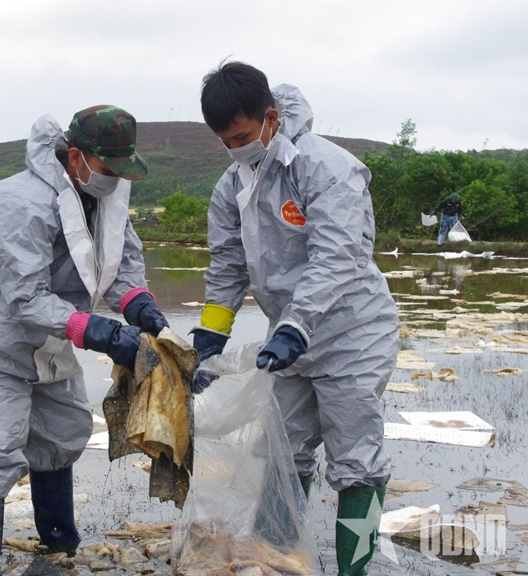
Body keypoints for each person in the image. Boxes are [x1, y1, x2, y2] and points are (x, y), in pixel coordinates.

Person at [0, 105, 169, 576]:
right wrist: (102, 332)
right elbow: (25, 297)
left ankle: (59, 550)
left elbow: (123, 268)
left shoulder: (105, 200)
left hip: (51, 338)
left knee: (61, 433)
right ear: (76, 157)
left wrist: (142, 309)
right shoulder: (19, 201)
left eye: (122, 170)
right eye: (108, 168)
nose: (115, 179)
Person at [191, 62, 399, 576]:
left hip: (351, 331)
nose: (234, 149)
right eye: (225, 142)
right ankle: (279, 562)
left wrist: (296, 326)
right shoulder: (231, 187)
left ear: (271, 117)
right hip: (288, 337)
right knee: (283, 450)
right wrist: (210, 337)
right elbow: (228, 267)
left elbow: (336, 257)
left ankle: (353, 571)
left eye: (242, 137)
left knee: (355, 457)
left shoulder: (326, 167)